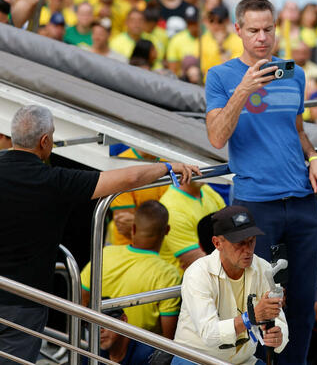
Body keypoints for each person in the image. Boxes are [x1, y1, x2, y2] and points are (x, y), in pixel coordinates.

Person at [0, 105, 198, 364]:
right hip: (24, 304)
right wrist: (168, 167)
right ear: (45, 141)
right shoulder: (54, 180)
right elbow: (129, 176)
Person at [205, 0, 317, 365]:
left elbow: (297, 130)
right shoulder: (221, 75)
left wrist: (316, 157)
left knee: (304, 304)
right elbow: (216, 137)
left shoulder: (294, 73)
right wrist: (244, 89)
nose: (262, 38)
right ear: (238, 31)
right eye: (254, 30)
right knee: (257, 304)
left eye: (268, 29)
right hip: (256, 202)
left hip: (303, 200)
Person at [172, 206, 288, 365]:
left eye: (251, 241)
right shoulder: (197, 273)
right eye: (239, 243)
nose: (247, 250)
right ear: (217, 243)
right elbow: (210, 335)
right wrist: (252, 317)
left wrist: (277, 336)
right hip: (196, 359)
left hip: (244, 360)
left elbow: (279, 321)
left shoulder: (265, 268)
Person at [81, 200, 181, 337]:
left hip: (99, 342)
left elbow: (82, 299)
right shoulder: (169, 275)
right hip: (144, 352)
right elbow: (169, 336)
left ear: (133, 229)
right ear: (167, 230)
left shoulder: (105, 254)